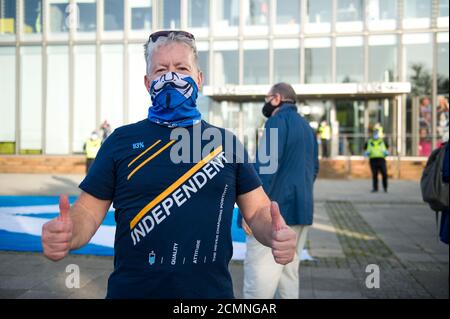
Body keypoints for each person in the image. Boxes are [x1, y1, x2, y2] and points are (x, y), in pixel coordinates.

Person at [41, 30, 297, 299]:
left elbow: (257, 211)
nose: (170, 77)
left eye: (181, 68)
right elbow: (88, 212)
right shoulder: (121, 141)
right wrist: (70, 233)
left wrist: (275, 232)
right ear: (147, 81)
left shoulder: (226, 143)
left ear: (199, 79)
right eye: (161, 69)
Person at [242, 83, 319, 299]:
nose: (265, 103)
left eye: (267, 98)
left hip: (274, 216)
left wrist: (250, 211)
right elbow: (314, 169)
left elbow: (264, 170)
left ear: (276, 98)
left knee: (258, 286)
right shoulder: (307, 127)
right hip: (302, 212)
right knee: (289, 278)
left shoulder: (275, 122)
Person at [364, 128, 389, 193]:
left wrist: (386, 152)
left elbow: (387, 148)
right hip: (373, 160)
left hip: (381, 159)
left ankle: (385, 187)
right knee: (375, 174)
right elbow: (365, 149)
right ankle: (375, 188)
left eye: (376, 133)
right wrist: (366, 153)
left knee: (384, 174)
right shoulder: (369, 141)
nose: (375, 134)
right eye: (374, 133)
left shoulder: (382, 141)